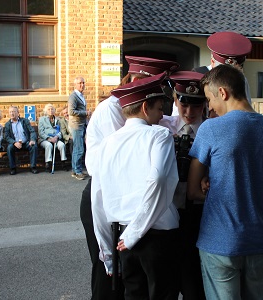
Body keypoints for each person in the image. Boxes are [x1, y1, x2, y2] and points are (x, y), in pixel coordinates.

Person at [82, 56, 179, 300]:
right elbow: (156, 180)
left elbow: (99, 200)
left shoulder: (110, 142)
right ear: (146, 106)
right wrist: (133, 233)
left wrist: (109, 249)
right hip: (151, 232)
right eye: (160, 109)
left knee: (133, 293)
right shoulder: (158, 135)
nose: (162, 116)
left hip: (123, 232)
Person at [187, 64, 263, 300]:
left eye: (209, 99)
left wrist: (207, 188)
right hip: (258, 240)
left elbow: (192, 191)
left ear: (222, 93)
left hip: (219, 242)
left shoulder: (210, 129)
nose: (209, 107)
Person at [159, 71, 206, 300]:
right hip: (167, 212)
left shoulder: (211, 131)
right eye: (184, 105)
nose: (189, 113)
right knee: (166, 279)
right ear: (175, 100)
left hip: (197, 213)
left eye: (196, 106)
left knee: (193, 281)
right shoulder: (162, 127)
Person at [190, 31, 252, 108]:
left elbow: (245, 108)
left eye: (234, 73)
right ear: (212, 62)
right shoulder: (198, 76)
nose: (228, 77)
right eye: (222, 73)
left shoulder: (242, 80)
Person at [4, 106, 39, 175]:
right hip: (15, 143)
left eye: (13, 111)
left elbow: (32, 131)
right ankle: (12, 168)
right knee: (9, 148)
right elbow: (6, 136)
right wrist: (14, 143)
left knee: (33, 146)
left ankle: (33, 167)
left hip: (26, 142)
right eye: (10, 112)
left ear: (18, 113)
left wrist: (32, 140)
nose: (12, 113)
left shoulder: (24, 121)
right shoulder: (8, 124)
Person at [68, 76, 91, 180]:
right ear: (75, 84)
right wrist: (85, 113)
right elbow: (71, 112)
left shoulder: (81, 95)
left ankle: (75, 170)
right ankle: (77, 171)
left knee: (78, 148)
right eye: (80, 83)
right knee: (79, 148)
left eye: (83, 83)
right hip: (76, 125)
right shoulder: (73, 96)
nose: (82, 85)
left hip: (82, 124)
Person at [38, 104, 67, 172]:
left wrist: (57, 137)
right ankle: (48, 163)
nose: (50, 111)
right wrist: (49, 139)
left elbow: (61, 131)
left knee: (62, 145)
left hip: (56, 138)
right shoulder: (42, 119)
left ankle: (63, 162)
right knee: (49, 145)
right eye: (49, 109)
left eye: (52, 109)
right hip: (45, 139)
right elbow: (41, 132)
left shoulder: (58, 120)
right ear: (45, 111)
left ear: (54, 110)